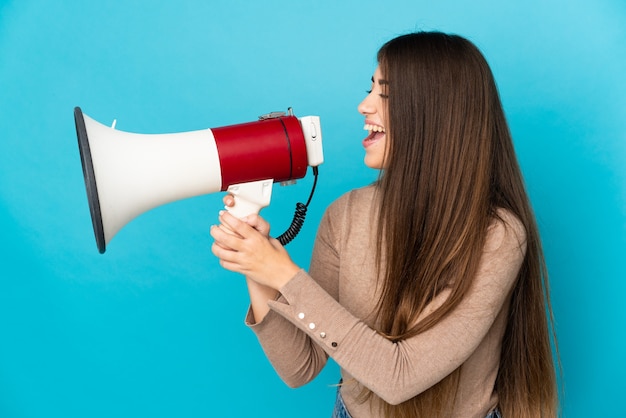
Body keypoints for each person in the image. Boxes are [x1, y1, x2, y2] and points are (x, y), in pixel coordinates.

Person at [210, 31, 559, 418]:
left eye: (384, 94)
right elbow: (300, 367)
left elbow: (399, 377)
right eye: (369, 90)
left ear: (435, 111)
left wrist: (286, 276)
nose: (363, 106)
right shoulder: (345, 215)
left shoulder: (499, 236)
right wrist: (257, 267)